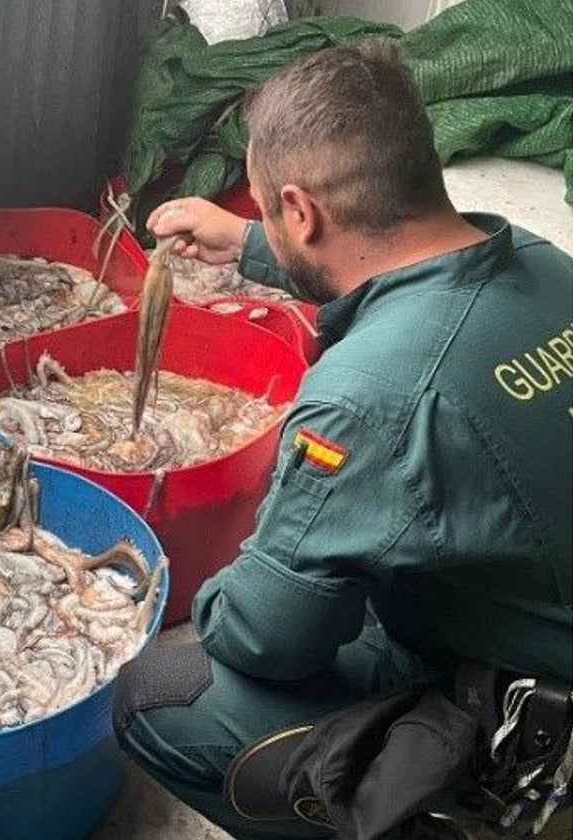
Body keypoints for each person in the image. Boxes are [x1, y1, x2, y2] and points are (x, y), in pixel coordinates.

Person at [111, 39, 573, 840]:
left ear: (301, 211)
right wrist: (248, 243)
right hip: (535, 599)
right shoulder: (542, 262)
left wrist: (228, 585)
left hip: (540, 717)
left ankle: (456, 817)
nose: (263, 224)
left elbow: (266, 641)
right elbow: (399, 273)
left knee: (162, 690)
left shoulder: (369, 398)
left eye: (266, 212)